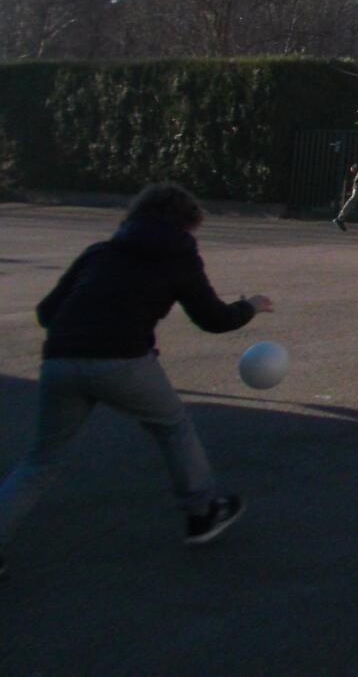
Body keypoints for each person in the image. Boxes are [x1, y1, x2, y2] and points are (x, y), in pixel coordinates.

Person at [0, 183, 273, 570]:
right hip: (122, 359)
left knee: (41, 460)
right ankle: (201, 513)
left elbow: (46, 313)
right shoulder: (180, 256)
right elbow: (213, 319)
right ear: (187, 223)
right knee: (173, 426)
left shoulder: (100, 251)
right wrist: (250, 306)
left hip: (60, 359)